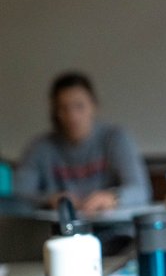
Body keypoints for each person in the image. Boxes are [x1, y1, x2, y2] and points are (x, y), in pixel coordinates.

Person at [14, 71, 151, 213]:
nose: (72, 116)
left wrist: (111, 198)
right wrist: (50, 200)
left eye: (79, 106)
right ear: (55, 112)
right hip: (61, 230)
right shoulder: (40, 147)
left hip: (112, 228)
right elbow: (19, 195)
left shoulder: (115, 138)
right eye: (63, 108)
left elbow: (141, 190)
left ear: (94, 106)